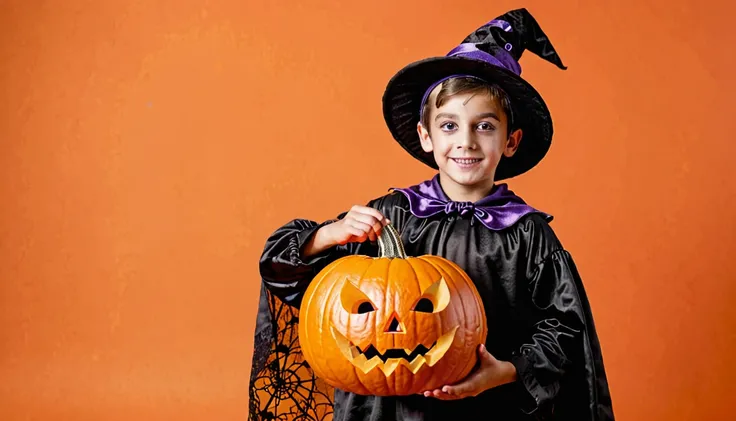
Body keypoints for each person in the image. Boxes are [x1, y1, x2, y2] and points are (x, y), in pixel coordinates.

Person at [248, 8, 615, 421]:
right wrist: (329, 235)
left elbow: (564, 330)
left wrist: (506, 371)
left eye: (485, 127)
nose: (466, 141)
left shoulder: (526, 235)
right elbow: (290, 274)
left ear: (510, 141)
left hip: (482, 410)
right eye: (449, 126)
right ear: (426, 136)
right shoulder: (390, 216)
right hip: (381, 410)